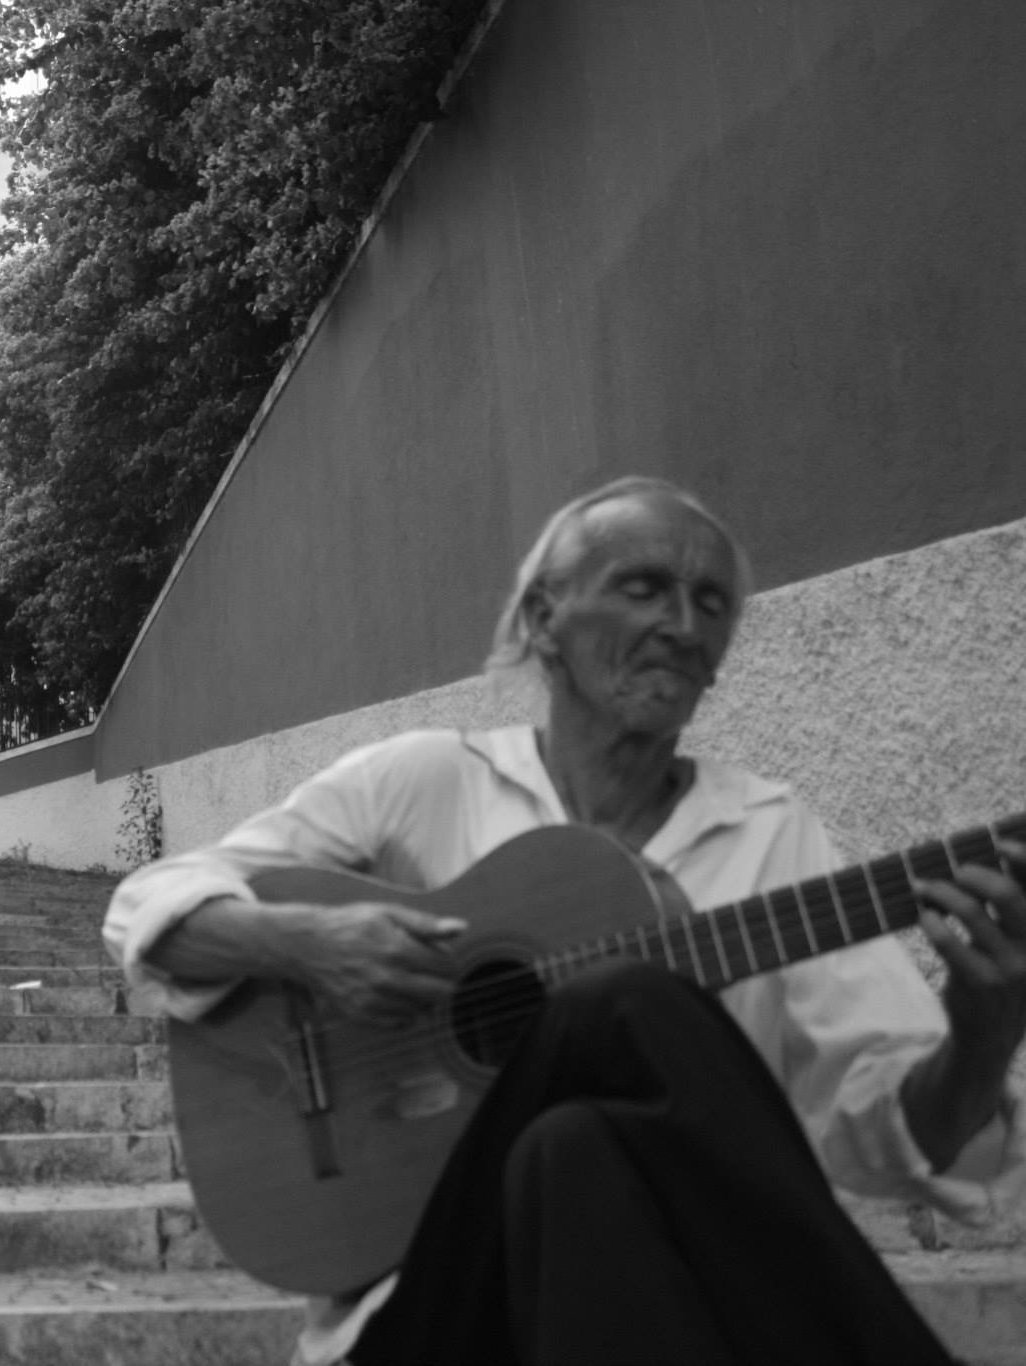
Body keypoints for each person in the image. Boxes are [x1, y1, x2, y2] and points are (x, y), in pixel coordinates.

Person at [105, 477, 1026, 1365]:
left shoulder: (770, 832)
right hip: (430, 1297)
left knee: (575, 1151)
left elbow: (898, 1147)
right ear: (544, 617)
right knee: (618, 999)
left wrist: (983, 1037)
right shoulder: (424, 782)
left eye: (712, 603)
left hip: (660, 1293)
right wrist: (310, 943)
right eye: (644, 587)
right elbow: (146, 906)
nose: (682, 624)